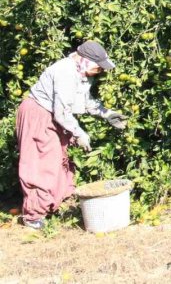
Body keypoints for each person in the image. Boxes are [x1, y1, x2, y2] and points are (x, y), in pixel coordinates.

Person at [15, 40, 127, 230]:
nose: (100, 71)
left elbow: (85, 100)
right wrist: (80, 133)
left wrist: (107, 114)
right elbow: (62, 113)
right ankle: (33, 216)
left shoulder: (81, 72)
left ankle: (51, 206)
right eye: (98, 67)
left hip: (52, 116)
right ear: (84, 59)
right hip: (39, 115)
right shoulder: (65, 72)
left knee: (59, 160)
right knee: (41, 164)